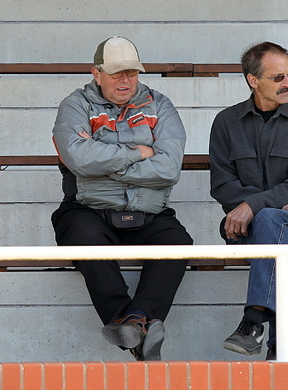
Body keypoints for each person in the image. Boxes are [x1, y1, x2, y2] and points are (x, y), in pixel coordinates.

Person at [51, 36, 193, 361]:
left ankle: (130, 322)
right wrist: (139, 153)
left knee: (178, 242)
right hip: (88, 210)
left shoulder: (160, 105)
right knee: (84, 239)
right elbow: (79, 160)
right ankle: (138, 324)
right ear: (96, 73)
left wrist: (104, 166)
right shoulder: (75, 106)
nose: (125, 80)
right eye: (116, 73)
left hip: (150, 211)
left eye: (131, 72)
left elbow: (169, 169)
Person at [209, 41, 288, 360]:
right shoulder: (226, 122)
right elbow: (222, 185)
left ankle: (253, 320)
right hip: (241, 226)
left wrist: (254, 206)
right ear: (253, 80)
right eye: (278, 77)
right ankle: (279, 344)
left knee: (274, 223)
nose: (287, 84)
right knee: (276, 230)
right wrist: (261, 206)